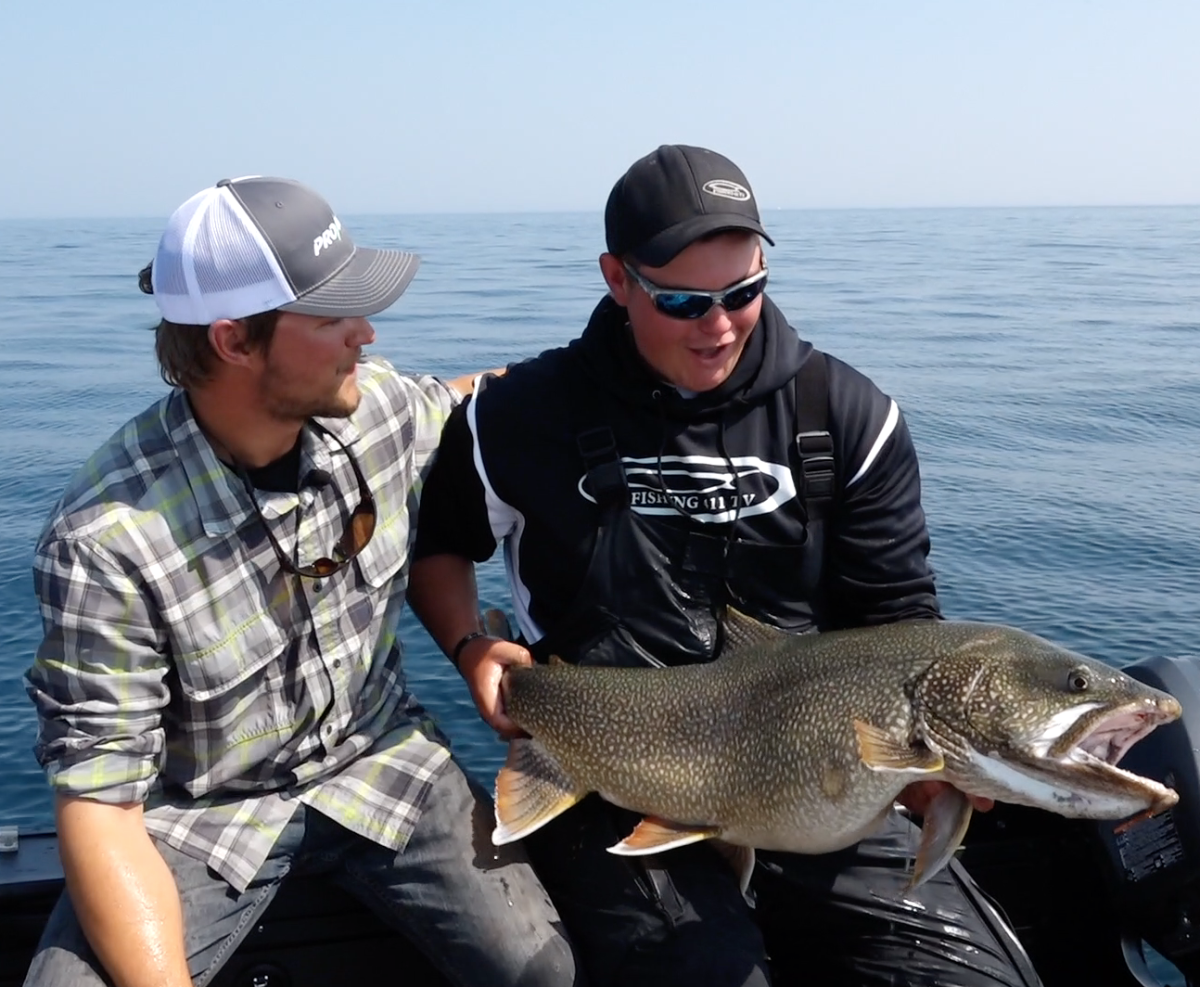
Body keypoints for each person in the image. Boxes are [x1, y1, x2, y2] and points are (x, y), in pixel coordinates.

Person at [407, 146, 1044, 987]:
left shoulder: (849, 416)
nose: (719, 325)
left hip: (826, 773)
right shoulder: (520, 414)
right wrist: (470, 647)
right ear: (617, 278)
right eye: (683, 301)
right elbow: (439, 545)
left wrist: (929, 768)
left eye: (744, 293)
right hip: (609, 767)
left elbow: (900, 620)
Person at [23, 176, 579, 987]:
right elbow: (100, 807)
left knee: (546, 971)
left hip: (382, 760)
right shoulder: (105, 539)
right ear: (233, 340)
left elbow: (491, 400)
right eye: (332, 316)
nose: (367, 333)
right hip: (200, 814)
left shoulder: (378, 412)